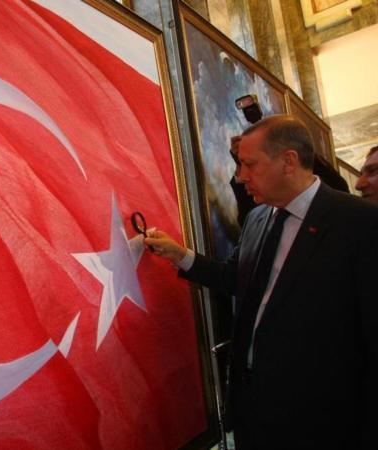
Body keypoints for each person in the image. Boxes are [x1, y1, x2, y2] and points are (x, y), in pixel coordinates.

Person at [145, 115, 378, 449]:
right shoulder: (257, 217)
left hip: (323, 422)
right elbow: (235, 277)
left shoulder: (360, 223)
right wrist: (180, 255)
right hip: (253, 414)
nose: (240, 176)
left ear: (289, 161)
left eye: (249, 164)